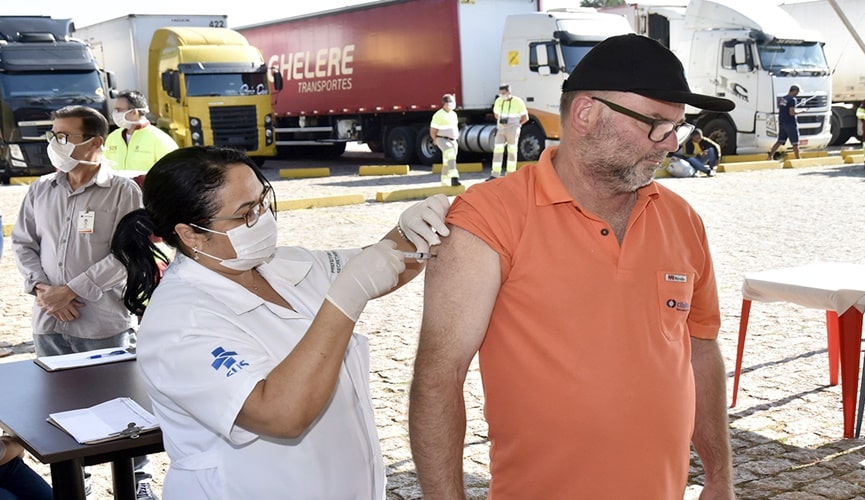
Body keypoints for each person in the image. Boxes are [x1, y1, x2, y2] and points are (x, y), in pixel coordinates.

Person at [409, 33, 736, 499]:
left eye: (678, 128)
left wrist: (720, 478)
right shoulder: (492, 217)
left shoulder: (682, 220)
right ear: (586, 114)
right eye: (657, 124)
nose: (670, 144)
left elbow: (700, 350)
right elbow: (439, 378)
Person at [110, 146, 450, 498]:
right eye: (245, 215)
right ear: (191, 234)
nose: (262, 218)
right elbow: (280, 413)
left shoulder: (282, 264)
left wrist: (412, 230)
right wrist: (343, 302)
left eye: (262, 201)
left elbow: (380, 266)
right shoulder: (179, 322)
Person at [10, 106, 156, 499]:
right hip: (49, 320)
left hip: (101, 320)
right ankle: (78, 478)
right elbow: (23, 244)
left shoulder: (124, 192)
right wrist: (44, 291)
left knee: (121, 406)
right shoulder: (42, 188)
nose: (54, 144)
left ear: (94, 142)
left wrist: (71, 290)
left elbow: (130, 254)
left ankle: (138, 477)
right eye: (52, 135)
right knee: (57, 403)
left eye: (63, 136)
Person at [104, 90, 178, 184]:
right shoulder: (112, 137)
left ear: (134, 112)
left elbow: (172, 173)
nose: (115, 114)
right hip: (117, 195)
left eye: (119, 110)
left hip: (146, 195)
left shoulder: (160, 140)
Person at [490, 84, 528, 179]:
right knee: (497, 149)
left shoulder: (518, 101)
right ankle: (495, 174)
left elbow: (525, 117)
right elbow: (496, 114)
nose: (502, 95)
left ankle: (510, 175)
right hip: (501, 128)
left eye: (504, 93)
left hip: (513, 128)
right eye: (501, 93)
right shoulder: (498, 101)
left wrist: (517, 126)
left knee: (512, 150)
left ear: (509, 93)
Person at [430, 93, 461, 187]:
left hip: (453, 140)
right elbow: (433, 129)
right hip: (442, 139)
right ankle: (454, 178)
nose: (454, 104)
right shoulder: (438, 115)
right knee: (450, 154)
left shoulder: (453, 114)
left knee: (448, 161)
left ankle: (444, 181)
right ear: (445, 104)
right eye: (452, 102)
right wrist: (434, 139)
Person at [767, 85, 802, 160]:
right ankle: (798, 158)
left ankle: (770, 156)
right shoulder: (792, 100)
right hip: (790, 124)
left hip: (782, 123)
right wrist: (802, 111)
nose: (798, 94)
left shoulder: (783, 98)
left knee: (779, 141)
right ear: (794, 91)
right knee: (795, 143)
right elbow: (792, 113)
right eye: (797, 92)